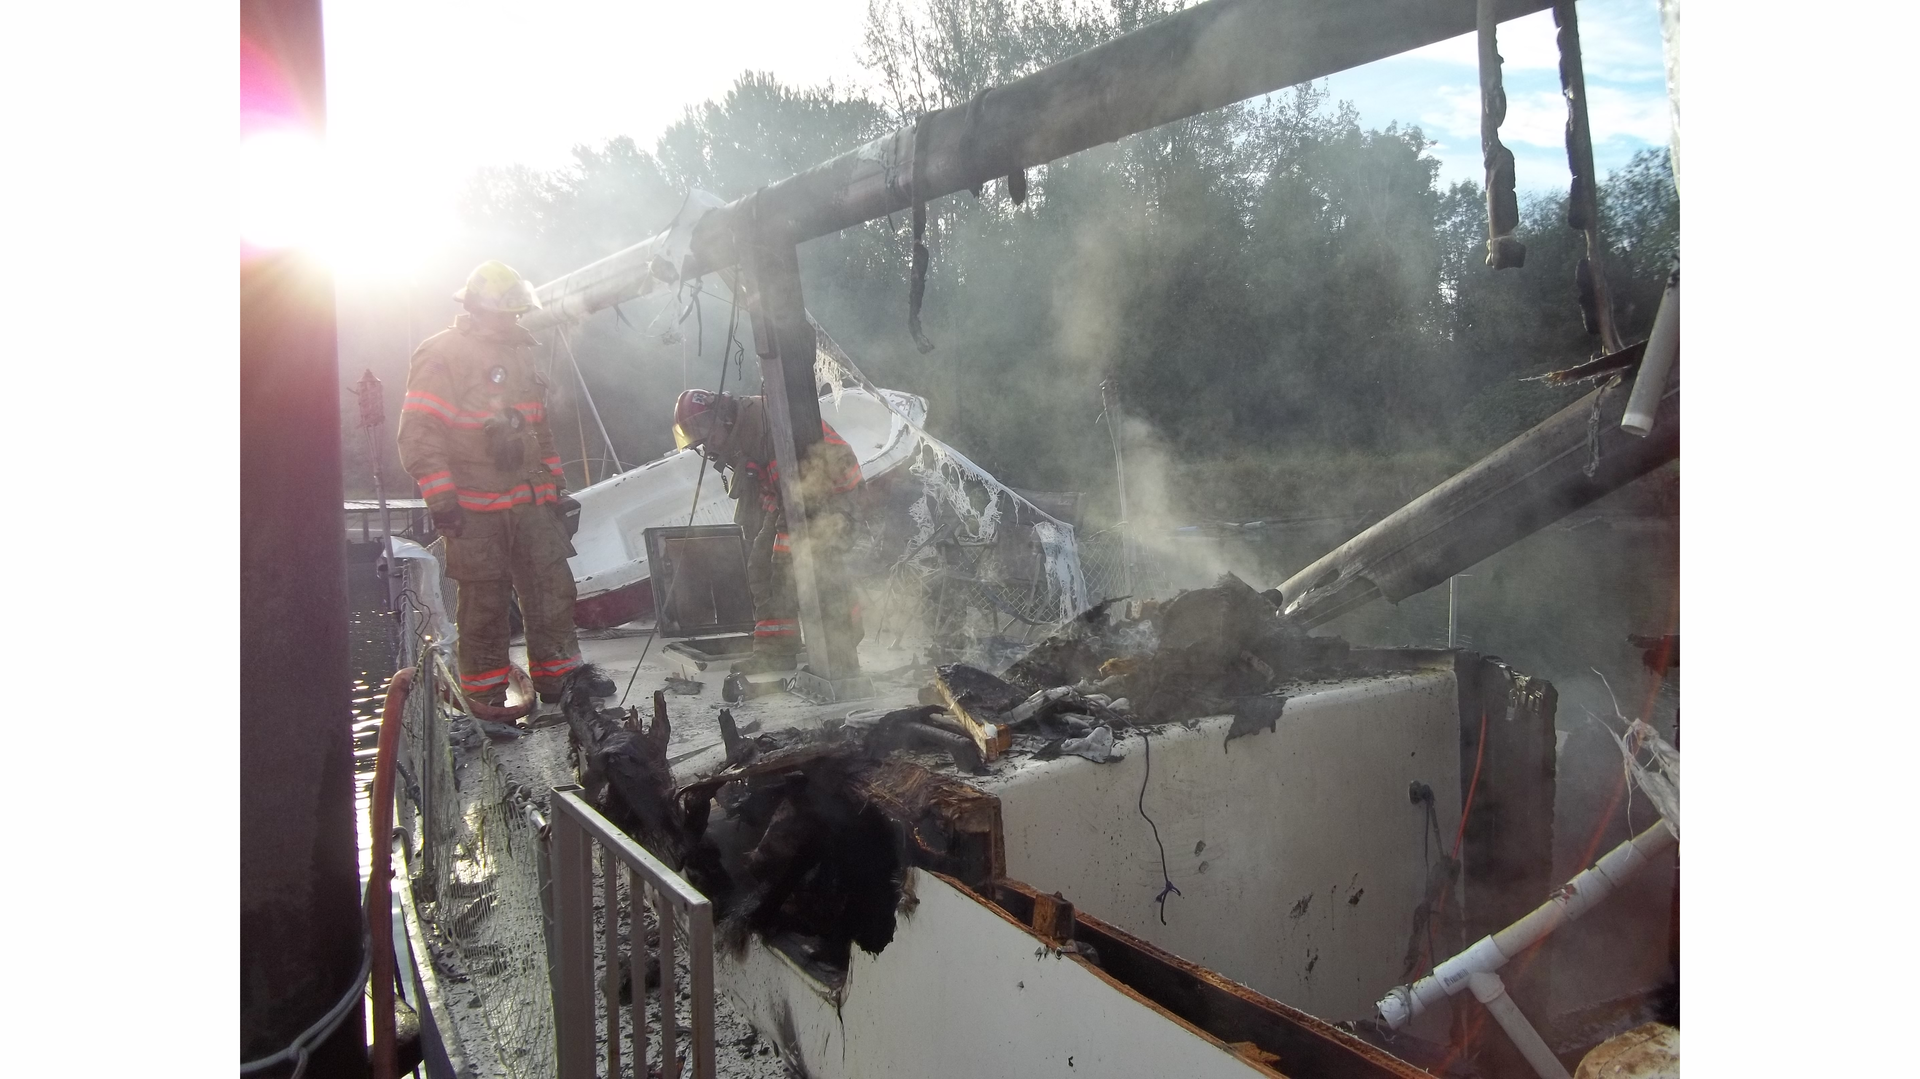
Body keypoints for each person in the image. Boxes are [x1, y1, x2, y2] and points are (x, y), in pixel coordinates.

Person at [397, 261, 602, 713]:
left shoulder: (520, 353)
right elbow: (419, 432)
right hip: (473, 506)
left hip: (530, 502)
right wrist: (441, 497)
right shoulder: (442, 353)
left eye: (517, 312)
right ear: (477, 308)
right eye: (506, 312)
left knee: (552, 587)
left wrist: (555, 487)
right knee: (485, 605)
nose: (514, 320)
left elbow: (538, 431)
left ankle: (561, 680)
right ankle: (485, 700)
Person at [671, 389, 864, 675]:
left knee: (808, 568)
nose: (705, 445)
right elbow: (777, 489)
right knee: (763, 566)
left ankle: (840, 648)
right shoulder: (744, 432)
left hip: (834, 498)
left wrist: (783, 550)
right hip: (795, 500)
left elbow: (801, 494)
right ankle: (776, 652)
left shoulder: (770, 429)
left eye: (703, 431)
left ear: (722, 418)